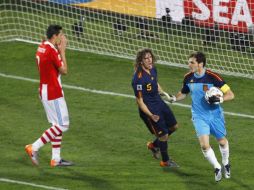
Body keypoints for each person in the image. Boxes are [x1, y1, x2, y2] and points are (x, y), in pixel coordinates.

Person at [170, 52, 234, 181]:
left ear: (201, 64)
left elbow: (231, 94)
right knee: (204, 145)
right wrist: (174, 98)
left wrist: (219, 99)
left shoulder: (213, 77)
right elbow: (183, 93)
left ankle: (226, 163)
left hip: (215, 115)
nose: (189, 65)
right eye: (189, 62)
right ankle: (217, 167)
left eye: (192, 62)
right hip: (199, 116)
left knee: (222, 141)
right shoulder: (188, 77)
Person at [25, 25, 73, 167]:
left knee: (55, 125)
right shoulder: (52, 50)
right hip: (53, 92)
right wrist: (63, 51)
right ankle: (33, 147)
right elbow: (64, 70)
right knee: (63, 125)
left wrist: (57, 50)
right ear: (55, 36)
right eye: (61, 35)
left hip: (44, 89)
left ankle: (56, 159)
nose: (62, 37)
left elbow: (47, 62)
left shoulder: (42, 46)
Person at [131, 48, 179, 168]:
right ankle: (165, 161)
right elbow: (140, 102)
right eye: (146, 58)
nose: (149, 60)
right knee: (163, 135)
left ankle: (153, 146)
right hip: (149, 109)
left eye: (150, 57)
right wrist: (151, 115)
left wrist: (165, 94)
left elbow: (155, 84)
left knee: (174, 126)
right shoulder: (138, 79)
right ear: (141, 61)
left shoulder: (152, 69)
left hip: (159, 102)